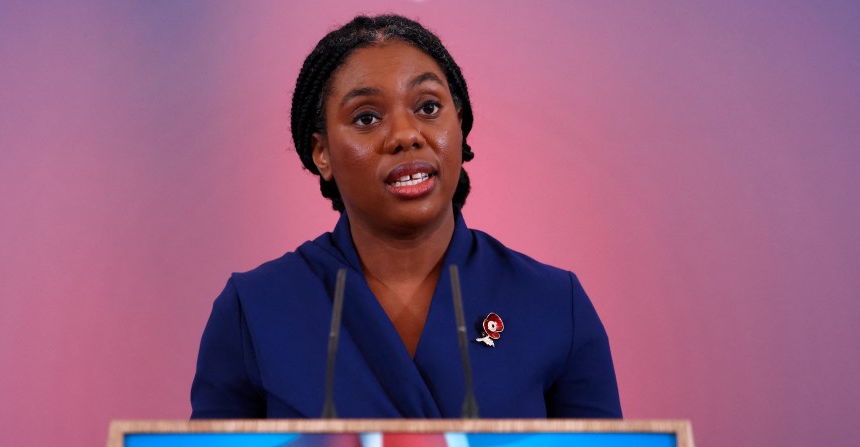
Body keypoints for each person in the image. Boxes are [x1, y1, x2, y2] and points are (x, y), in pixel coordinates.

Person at [190, 14, 621, 420]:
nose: (405, 135)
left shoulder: (551, 303)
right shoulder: (256, 308)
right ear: (322, 153)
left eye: (429, 108)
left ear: (461, 123)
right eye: (367, 117)